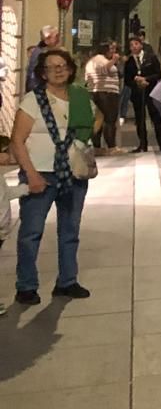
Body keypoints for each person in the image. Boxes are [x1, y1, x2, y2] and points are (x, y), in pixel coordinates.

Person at [11, 47, 98, 306]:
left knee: (70, 230)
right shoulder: (32, 100)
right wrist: (31, 174)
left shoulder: (80, 97)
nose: (58, 70)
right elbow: (17, 141)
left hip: (72, 173)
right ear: (43, 73)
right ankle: (26, 286)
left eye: (62, 66)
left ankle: (67, 281)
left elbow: (98, 118)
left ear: (71, 70)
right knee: (31, 232)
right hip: (40, 174)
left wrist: (81, 141)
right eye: (51, 67)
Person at [123, 34, 161, 153]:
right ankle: (142, 144)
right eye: (131, 45)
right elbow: (127, 79)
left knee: (155, 117)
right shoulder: (129, 61)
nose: (133, 47)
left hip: (151, 91)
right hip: (137, 93)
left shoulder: (151, 58)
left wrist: (146, 79)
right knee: (140, 119)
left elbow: (158, 74)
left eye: (136, 44)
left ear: (141, 45)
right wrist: (136, 81)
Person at [84, 40, 122, 149]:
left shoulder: (93, 60)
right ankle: (111, 146)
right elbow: (103, 70)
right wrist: (113, 61)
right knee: (109, 120)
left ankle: (97, 146)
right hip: (106, 93)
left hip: (98, 92)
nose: (113, 52)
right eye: (111, 49)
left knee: (99, 120)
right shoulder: (99, 59)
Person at [25, 25, 58, 92]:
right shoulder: (42, 54)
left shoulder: (43, 51)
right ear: (47, 38)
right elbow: (35, 78)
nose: (58, 39)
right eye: (56, 36)